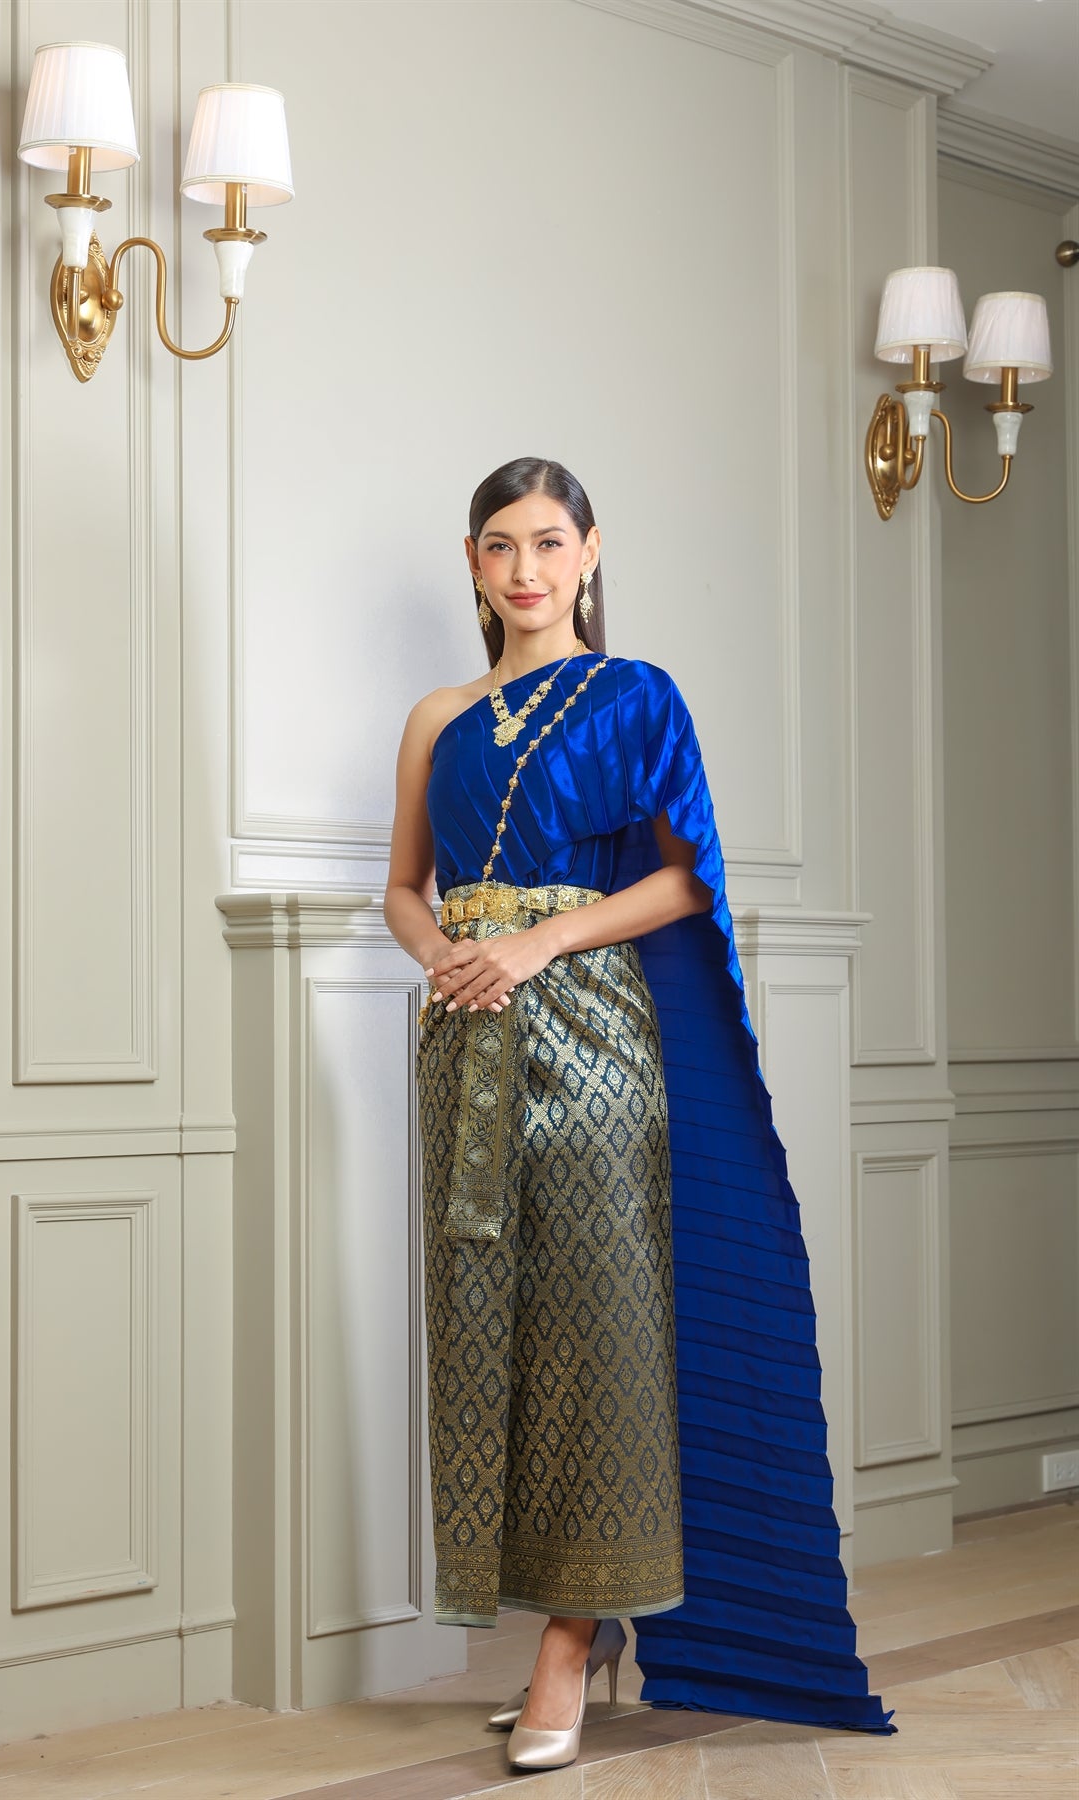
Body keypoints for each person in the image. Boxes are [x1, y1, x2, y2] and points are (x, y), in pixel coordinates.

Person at [383, 456, 896, 1772]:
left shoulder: (637, 699)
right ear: (472, 561)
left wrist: (540, 945)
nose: (524, 569)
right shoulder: (438, 717)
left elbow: (684, 881)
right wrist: (440, 952)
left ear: (591, 552)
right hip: (463, 1046)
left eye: (548, 542)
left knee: (599, 1330)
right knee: (488, 1335)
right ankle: (572, 1611)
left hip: (595, 1037)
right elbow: (403, 886)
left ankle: (572, 1636)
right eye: (499, 546)